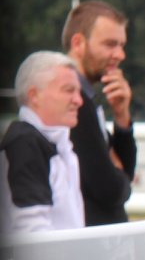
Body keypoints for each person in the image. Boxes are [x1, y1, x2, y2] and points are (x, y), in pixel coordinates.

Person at [60, 0, 137, 225]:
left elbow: (124, 176)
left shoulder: (87, 98)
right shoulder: (75, 103)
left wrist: (122, 116)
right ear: (78, 43)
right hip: (90, 247)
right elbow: (111, 191)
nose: (120, 54)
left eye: (122, 45)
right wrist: (118, 172)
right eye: (110, 44)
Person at [3, 51, 87, 235]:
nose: (78, 100)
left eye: (79, 92)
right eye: (68, 90)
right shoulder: (24, 145)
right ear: (34, 95)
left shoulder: (57, 146)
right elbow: (33, 233)